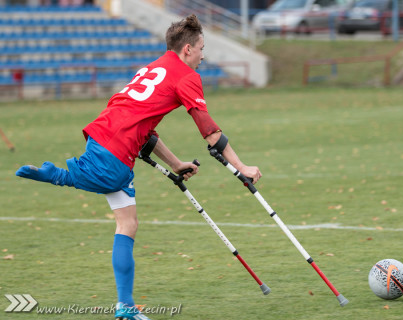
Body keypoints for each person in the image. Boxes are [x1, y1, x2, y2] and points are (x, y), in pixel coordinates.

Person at [15, 14, 261, 320]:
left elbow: (143, 130)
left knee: (128, 225)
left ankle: (126, 308)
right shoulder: (186, 76)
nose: (202, 55)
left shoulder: (154, 67)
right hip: (115, 154)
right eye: (201, 48)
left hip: (102, 137)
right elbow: (209, 131)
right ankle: (60, 176)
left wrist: (177, 164)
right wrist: (242, 167)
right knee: (105, 181)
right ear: (187, 50)